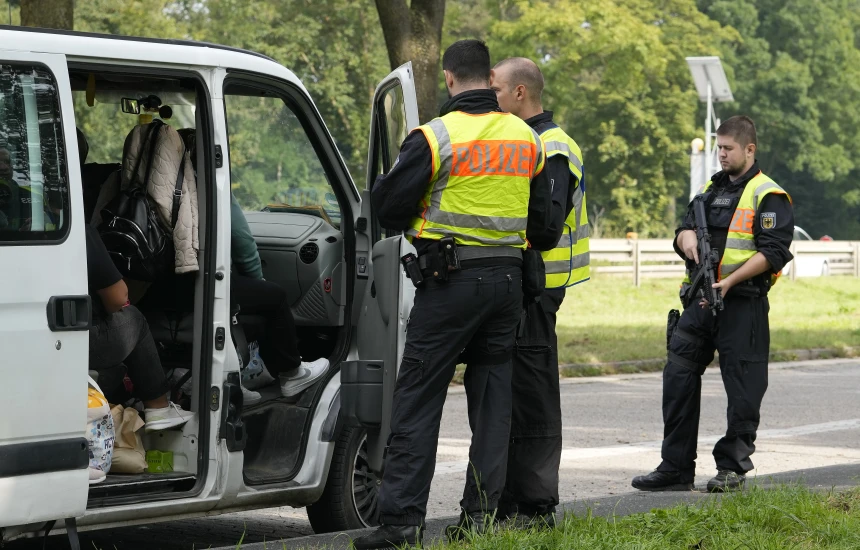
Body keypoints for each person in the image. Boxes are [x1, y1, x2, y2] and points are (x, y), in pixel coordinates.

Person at [352, 40, 559, 550]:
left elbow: (389, 208)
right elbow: (546, 225)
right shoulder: (528, 139)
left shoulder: (435, 136)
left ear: (449, 80)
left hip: (449, 285)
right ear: (490, 79)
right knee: (493, 405)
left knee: (418, 400)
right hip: (508, 286)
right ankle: (480, 518)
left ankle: (401, 522)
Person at [632, 116, 794, 493]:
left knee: (743, 389)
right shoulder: (710, 189)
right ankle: (674, 468)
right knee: (678, 379)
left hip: (742, 304)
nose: (720, 155)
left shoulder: (769, 195)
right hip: (700, 301)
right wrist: (685, 240)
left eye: (728, 149)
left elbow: (774, 252)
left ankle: (731, 468)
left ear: (749, 150)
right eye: (718, 148)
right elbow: (684, 227)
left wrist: (731, 279)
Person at [490, 57, 588, 527]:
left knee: (533, 395)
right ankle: (511, 499)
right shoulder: (528, 140)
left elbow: (546, 227)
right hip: (520, 283)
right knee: (512, 392)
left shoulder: (552, 145)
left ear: (520, 94)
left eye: (497, 91)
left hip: (538, 286)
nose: (492, 99)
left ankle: (534, 506)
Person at [86, 223, 194, 432]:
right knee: (134, 318)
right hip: (77, 339)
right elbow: (118, 298)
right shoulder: (79, 231)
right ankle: (158, 407)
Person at [229, 192, 329, 398]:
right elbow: (242, 243)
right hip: (205, 281)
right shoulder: (208, 179)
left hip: (165, 285)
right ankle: (292, 373)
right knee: (274, 297)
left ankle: (228, 383)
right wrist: (259, 282)